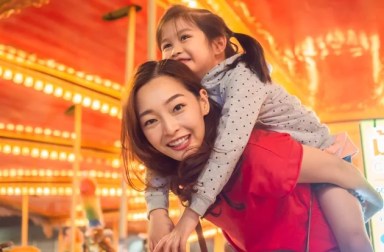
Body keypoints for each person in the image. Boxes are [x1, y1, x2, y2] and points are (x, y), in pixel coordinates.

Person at [143, 4, 383, 252]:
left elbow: (230, 145)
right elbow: (159, 154)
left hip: (320, 150)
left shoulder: (242, 75)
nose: (174, 50)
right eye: (167, 45)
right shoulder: (195, 91)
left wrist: (190, 216)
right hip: (284, 167)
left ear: (217, 45)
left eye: (184, 37)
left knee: (353, 238)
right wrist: (157, 211)